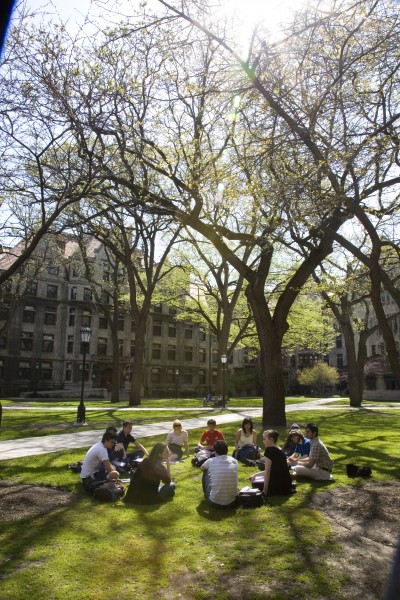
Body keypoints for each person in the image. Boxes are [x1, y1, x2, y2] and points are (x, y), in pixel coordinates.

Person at [250, 430, 292, 496]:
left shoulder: (269, 450)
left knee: (255, 484)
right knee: (256, 480)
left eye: (264, 439)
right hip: (287, 485)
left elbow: (268, 471)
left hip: (277, 486)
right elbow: (273, 470)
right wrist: (255, 475)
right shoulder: (280, 449)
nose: (263, 441)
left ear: (271, 439)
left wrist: (265, 491)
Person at [200, 440, 238, 508]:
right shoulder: (234, 461)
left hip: (214, 502)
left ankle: (206, 495)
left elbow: (201, 468)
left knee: (205, 471)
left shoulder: (211, 461)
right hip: (233, 502)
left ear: (215, 451)